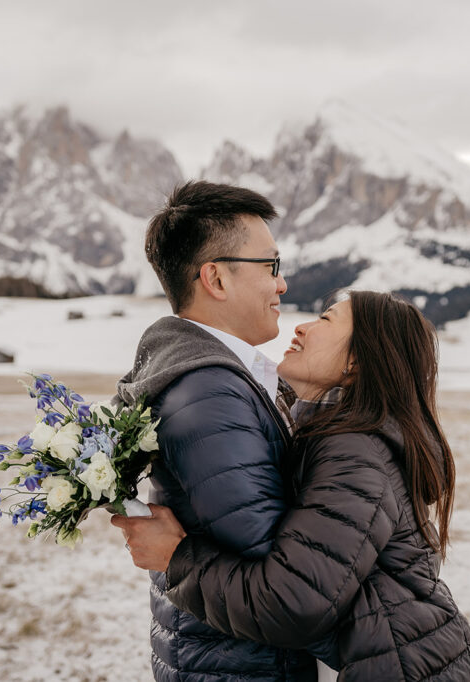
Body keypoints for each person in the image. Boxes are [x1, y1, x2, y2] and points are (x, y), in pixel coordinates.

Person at [114, 291, 470, 682]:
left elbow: (292, 603)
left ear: (356, 360)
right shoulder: (337, 435)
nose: (302, 327)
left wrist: (176, 559)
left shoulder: (356, 449)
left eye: (326, 320)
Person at [115, 180, 316, 681]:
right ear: (216, 279)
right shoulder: (209, 394)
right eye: (270, 265)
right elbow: (280, 580)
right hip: (247, 667)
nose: (282, 283)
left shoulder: (219, 377)